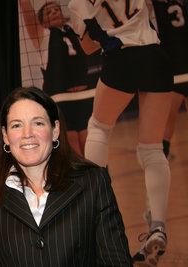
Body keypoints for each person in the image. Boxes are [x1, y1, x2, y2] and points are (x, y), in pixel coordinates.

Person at [0, 87, 132, 266]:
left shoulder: (93, 183)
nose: (27, 134)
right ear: (6, 136)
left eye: (38, 123)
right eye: (17, 125)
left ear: (55, 131)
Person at [68, 0, 173, 265]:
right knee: (152, 148)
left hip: (121, 57)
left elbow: (89, 46)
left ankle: (95, 205)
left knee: (99, 127)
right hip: (156, 56)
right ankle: (158, 227)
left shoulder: (76, 2)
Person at [18, 0, 102, 156]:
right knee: (74, 150)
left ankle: (100, 180)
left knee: (91, 147)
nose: (55, 12)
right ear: (42, 21)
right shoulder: (42, 36)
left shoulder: (74, 29)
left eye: (57, 9)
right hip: (60, 99)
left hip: (87, 96)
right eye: (48, 12)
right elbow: (27, 11)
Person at [151, 0, 188, 157]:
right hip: (182, 68)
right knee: (167, 125)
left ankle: (161, 162)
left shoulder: (154, 7)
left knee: (166, 128)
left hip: (174, 71)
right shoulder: (179, 6)